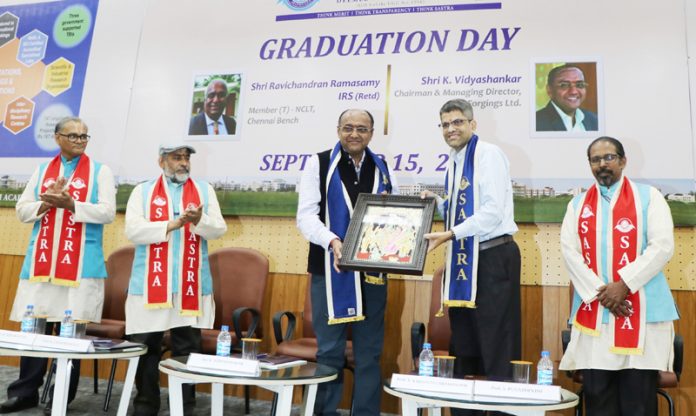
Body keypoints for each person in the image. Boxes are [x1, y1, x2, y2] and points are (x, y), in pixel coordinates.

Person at [0, 117, 116, 415]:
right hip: (41, 261)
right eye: (74, 136)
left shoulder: (100, 172)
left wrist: (71, 205)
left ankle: (60, 396)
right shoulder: (41, 171)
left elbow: (107, 213)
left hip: (80, 265)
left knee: (70, 334)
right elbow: (23, 211)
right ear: (57, 137)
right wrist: (47, 203)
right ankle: (24, 392)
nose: (80, 141)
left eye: (84, 137)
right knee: (33, 330)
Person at [559, 137, 679, 415]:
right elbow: (570, 253)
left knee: (638, 401)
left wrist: (624, 285)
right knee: (598, 398)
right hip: (596, 315)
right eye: (595, 159)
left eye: (609, 157)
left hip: (643, 314)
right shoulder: (577, 205)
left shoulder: (650, 198)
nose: (602, 164)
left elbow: (662, 247)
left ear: (623, 161)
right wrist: (605, 293)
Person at [423, 99, 520, 416]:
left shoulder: (487, 154)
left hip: (492, 259)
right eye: (445, 124)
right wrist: (435, 203)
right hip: (465, 259)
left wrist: (450, 234)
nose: (451, 129)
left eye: (457, 122)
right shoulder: (454, 160)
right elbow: (459, 211)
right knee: (465, 345)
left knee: (497, 347)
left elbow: (491, 212)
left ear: (472, 124)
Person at [296, 109, 396, 416]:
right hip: (330, 269)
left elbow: (390, 215)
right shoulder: (319, 163)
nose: (355, 134)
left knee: (369, 354)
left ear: (372, 133)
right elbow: (306, 217)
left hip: (372, 273)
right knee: (329, 352)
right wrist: (333, 241)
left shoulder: (382, 166)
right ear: (338, 129)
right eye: (349, 128)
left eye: (362, 129)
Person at [124, 142, 226, 416]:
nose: (183, 162)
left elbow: (218, 230)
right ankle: (146, 404)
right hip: (149, 284)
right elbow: (133, 231)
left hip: (189, 285)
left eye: (186, 158)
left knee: (187, 347)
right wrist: (172, 224)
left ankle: (185, 406)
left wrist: (199, 219)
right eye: (176, 157)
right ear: (161, 161)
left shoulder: (204, 190)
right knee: (146, 347)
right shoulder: (143, 191)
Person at [536, 64, 598, 132]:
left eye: (579, 85)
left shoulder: (594, 120)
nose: (573, 92)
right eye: (564, 85)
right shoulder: (536, 122)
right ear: (549, 90)